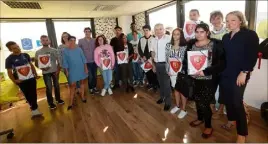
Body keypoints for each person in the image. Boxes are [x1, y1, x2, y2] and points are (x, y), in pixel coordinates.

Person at [221, 11, 259, 143]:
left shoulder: (249, 35)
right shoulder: (225, 37)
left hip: (240, 74)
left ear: (240, 21)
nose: (229, 23)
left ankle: (242, 134)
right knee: (228, 99)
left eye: (233, 20)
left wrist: (245, 72)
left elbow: (252, 55)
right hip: (225, 73)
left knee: (237, 102)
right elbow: (224, 56)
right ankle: (231, 120)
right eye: (227, 20)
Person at [182, 23, 225, 138]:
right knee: (197, 100)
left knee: (205, 103)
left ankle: (208, 126)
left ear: (207, 32)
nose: (199, 34)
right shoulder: (191, 44)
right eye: (197, 32)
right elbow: (186, 60)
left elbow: (221, 64)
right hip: (194, 78)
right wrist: (188, 70)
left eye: (202, 32)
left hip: (209, 79)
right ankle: (200, 118)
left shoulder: (216, 44)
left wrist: (205, 71)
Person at [5, 41, 43, 118]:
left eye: (17, 46)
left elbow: (31, 65)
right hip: (21, 80)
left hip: (31, 78)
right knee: (27, 94)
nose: (17, 48)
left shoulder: (25, 55)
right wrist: (15, 81)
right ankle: (34, 109)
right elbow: (9, 72)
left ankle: (34, 109)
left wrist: (35, 74)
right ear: (10, 50)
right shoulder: (9, 59)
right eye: (14, 48)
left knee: (33, 93)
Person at [35, 35, 64, 109]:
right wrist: (42, 68)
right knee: (49, 87)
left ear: (49, 41)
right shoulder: (38, 52)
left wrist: (58, 70)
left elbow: (59, 61)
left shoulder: (54, 50)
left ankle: (58, 99)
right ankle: (50, 103)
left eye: (46, 40)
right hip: (46, 73)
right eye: (43, 40)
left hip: (55, 71)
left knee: (57, 86)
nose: (45, 41)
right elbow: (36, 63)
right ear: (41, 42)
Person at [209, 10, 229, 120]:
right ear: (210, 20)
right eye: (213, 18)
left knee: (223, 88)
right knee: (211, 87)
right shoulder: (209, 34)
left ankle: (221, 109)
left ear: (222, 19)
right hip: (213, 65)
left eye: (218, 18)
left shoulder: (228, 32)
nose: (216, 21)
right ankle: (212, 108)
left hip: (226, 65)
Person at [166, 28, 188, 119]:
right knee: (175, 89)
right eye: (174, 34)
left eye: (177, 34)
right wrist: (167, 69)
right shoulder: (168, 45)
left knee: (182, 91)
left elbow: (186, 60)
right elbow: (166, 58)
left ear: (181, 35)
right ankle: (178, 106)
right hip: (172, 72)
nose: (175, 36)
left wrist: (184, 71)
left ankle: (184, 109)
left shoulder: (185, 46)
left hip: (181, 72)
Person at [62, 36, 88, 110]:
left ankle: (82, 97)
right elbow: (65, 62)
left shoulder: (79, 49)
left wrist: (85, 68)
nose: (73, 41)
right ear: (68, 41)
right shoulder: (65, 51)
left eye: (74, 40)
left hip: (81, 69)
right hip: (72, 70)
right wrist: (67, 71)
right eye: (71, 40)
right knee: (72, 86)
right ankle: (70, 102)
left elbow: (83, 59)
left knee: (82, 83)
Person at [150, 23, 172, 111]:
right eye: (156, 29)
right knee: (160, 83)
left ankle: (168, 102)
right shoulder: (153, 39)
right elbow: (152, 53)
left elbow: (172, 53)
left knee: (166, 84)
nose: (158, 31)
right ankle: (162, 97)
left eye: (160, 29)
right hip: (157, 64)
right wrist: (153, 65)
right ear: (154, 31)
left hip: (166, 64)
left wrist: (170, 66)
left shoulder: (169, 38)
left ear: (163, 30)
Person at [78, 27, 99, 94]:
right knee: (90, 76)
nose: (87, 33)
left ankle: (94, 87)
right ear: (84, 32)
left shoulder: (95, 40)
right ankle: (90, 88)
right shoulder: (80, 41)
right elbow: (79, 51)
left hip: (94, 61)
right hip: (86, 62)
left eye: (89, 31)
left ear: (90, 32)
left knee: (95, 75)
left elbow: (98, 49)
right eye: (86, 31)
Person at [138, 25, 158, 92]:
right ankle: (150, 83)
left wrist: (148, 56)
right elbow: (139, 49)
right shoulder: (141, 39)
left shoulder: (154, 38)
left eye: (147, 30)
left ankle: (155, 85)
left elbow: (154, 49)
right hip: (144, 59)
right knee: (147, 72)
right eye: (144, 30)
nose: (145, 32)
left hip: (151, 58)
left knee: (153, 72)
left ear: (149, 30)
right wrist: (142, 56)